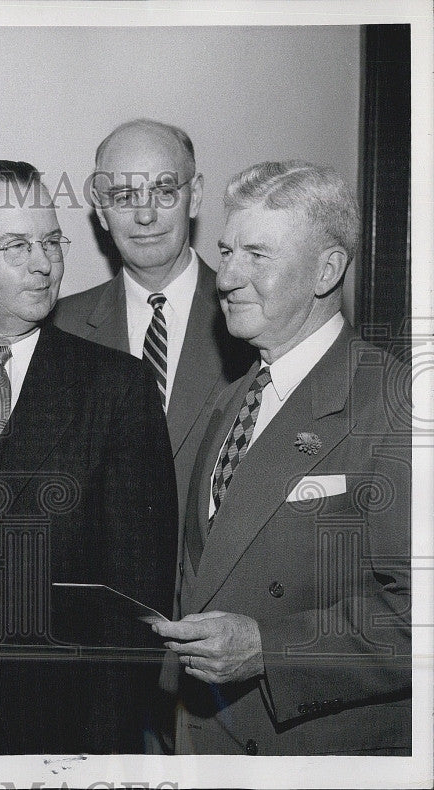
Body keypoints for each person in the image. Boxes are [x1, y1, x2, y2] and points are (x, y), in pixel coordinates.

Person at [0, 160, 177, 754]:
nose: (44, 263)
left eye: (50, 241)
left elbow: (137, 595)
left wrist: (101, 750)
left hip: (72, 732)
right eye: (16, 245)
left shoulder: (118, 388)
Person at [153, 161, 411, 755]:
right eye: (225, 250)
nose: (227, 276)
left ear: (327, 270)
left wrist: (271, 649)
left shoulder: (394, 405)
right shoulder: (234, 398)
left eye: (258, 255)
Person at [52, 119, 256, 515]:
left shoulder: (253, 322)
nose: (145, 216)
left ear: (194, 196)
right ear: (101, 210)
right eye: (125, 196)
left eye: (163, 192)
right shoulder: (61, 327)